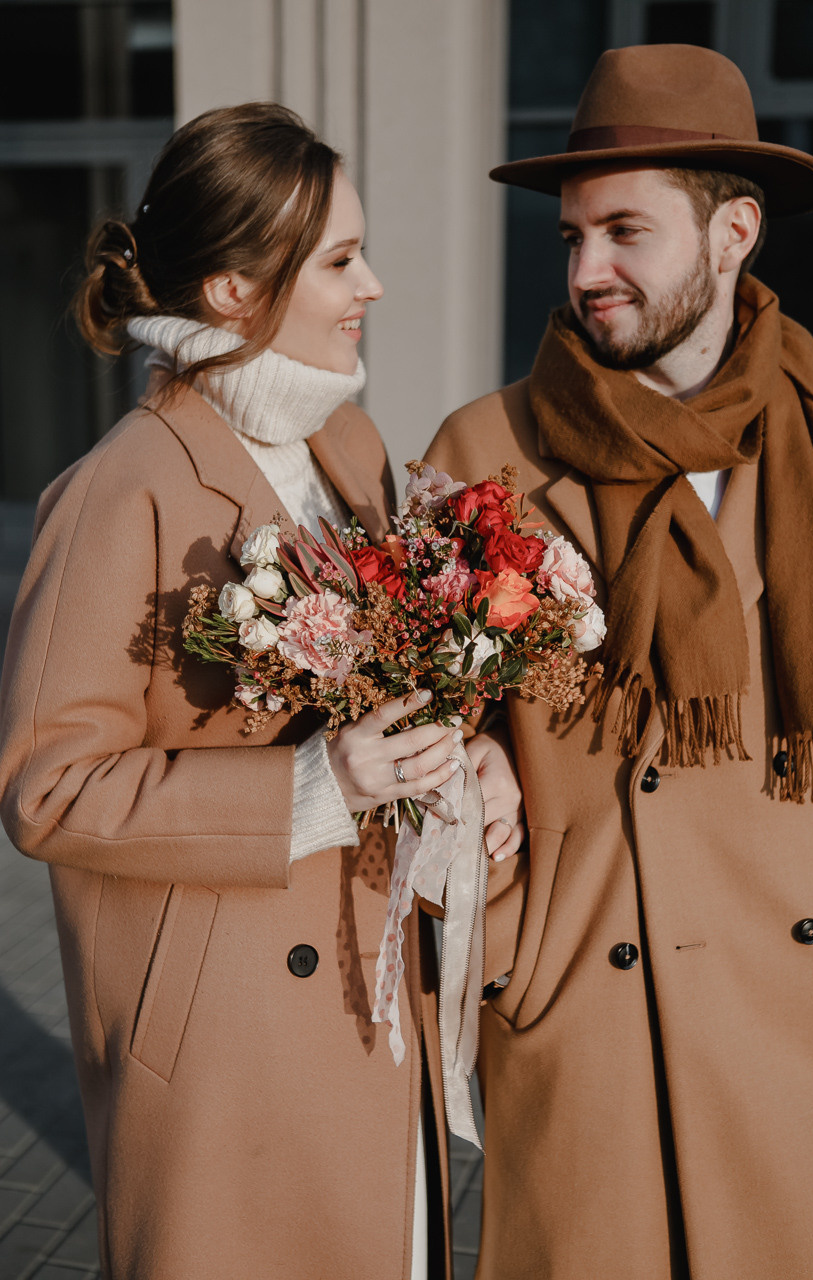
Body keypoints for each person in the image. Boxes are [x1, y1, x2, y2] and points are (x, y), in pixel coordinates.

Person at [0, 103, 522, 1280]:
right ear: (234, 288)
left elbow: (401, 682)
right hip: (229, 1053)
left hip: (368, 994)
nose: (373, 284)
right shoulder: (117, 489)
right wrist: (307, 784)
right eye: (341, 258)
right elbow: (45, 788)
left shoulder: (352, 448)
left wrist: (467, 751)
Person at [427, 43, 813, 1280]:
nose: (585, 271)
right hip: (587, 1018)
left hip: (801, 1029)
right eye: (570, 236)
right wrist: (476, 762)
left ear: (733, 232)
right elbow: (412, 708)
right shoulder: (483, 450)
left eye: (624, 230)